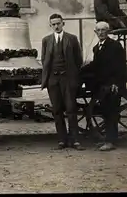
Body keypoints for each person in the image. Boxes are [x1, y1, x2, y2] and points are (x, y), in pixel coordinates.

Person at [41, 14, 84, 150]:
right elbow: (44, 60)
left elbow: (78, 60)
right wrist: (48, 79)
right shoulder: (46, 40)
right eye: (53, 24)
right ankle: (62, 140)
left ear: (63, 23)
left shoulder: (71, 39)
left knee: (71, 109)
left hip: (68, 79)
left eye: (58, 23)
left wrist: (73, 76)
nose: (56, 26)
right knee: (57, 110)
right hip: (53, 80)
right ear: (50, 25)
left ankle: (75, 140)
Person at [82, 21, 127, 151]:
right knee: (106, 112)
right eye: (98, 30)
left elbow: (120, 67)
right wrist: (79, 70)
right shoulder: (97, 48)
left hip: (112, 86)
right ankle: (109, 139)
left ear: (108, 31)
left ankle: (110, 142)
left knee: (111, 112)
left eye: (103, 30)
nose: (101, 33)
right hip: (102, 86)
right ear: (95, 32)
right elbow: (96, 65)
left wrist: (116, 83)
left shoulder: (115, 46)